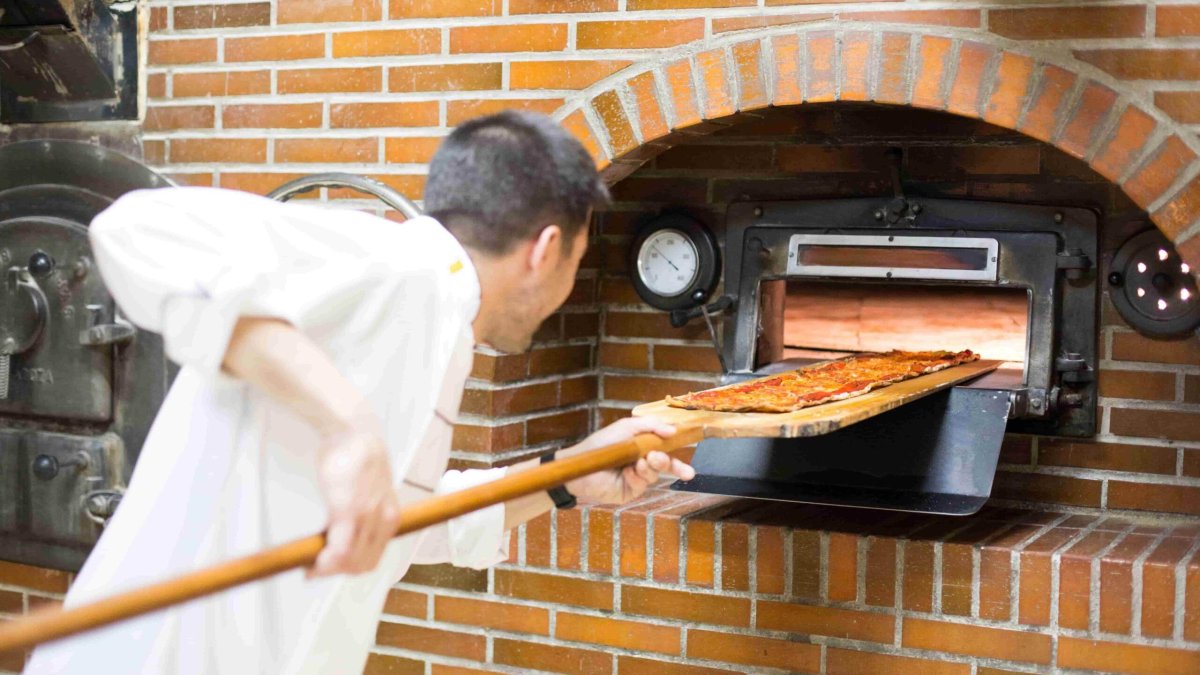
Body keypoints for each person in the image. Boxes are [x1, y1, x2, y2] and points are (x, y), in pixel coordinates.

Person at [25, 111, 694, 674]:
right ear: (547, 249)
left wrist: (568, 476)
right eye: (577, 263)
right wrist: (350, 425)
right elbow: (135, 229)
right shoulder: (397, 266)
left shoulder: (438, 318)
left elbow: (402, 520)